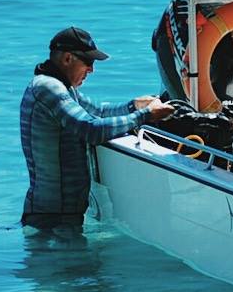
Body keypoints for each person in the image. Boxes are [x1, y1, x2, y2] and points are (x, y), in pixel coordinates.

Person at [20, 26, 172, 231]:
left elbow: (98, 112)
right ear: (67, 58)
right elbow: (91, 129)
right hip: (52, 219)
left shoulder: (62, 87)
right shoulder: (48, 88)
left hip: (60, 216)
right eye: (88, 62)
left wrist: (134, 105)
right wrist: (145, 116)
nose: (91, 70)